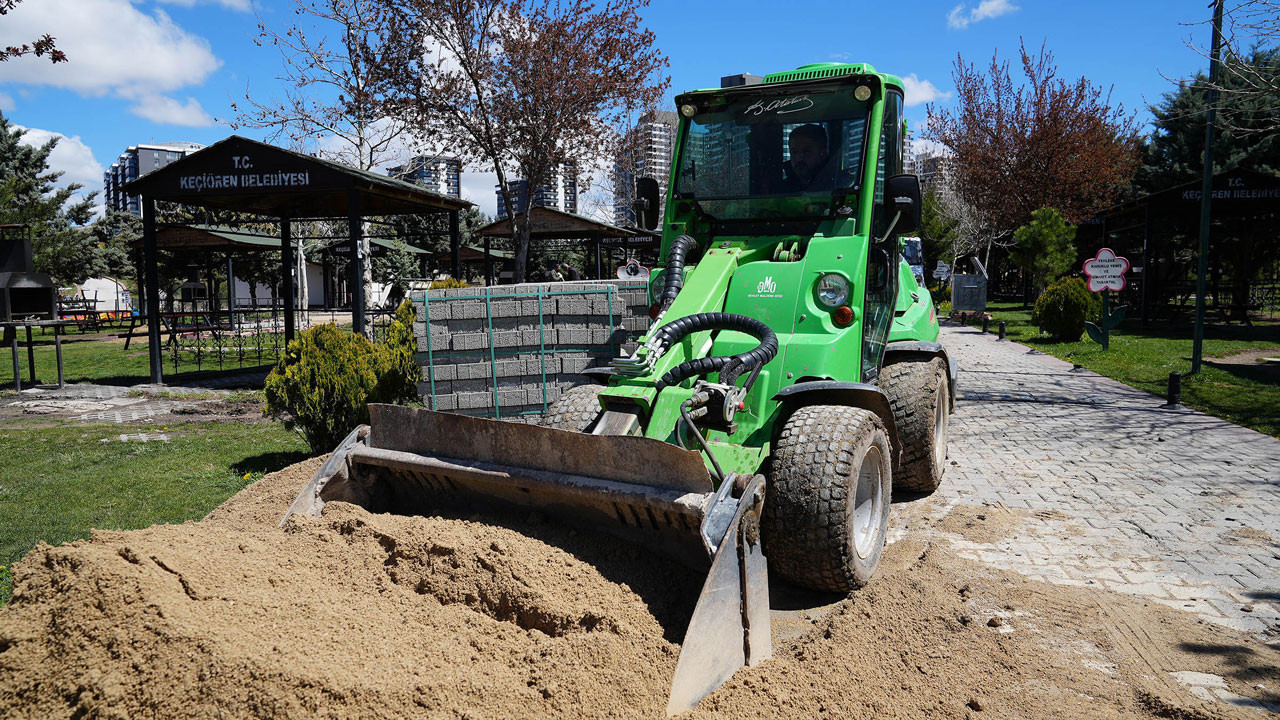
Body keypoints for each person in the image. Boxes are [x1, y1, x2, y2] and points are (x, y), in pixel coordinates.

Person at [782, 123, 853, 192]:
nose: (798, 158)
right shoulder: (780, 190)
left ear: (823, 153)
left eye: (806, 152)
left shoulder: (844, 185)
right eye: (794, 152)